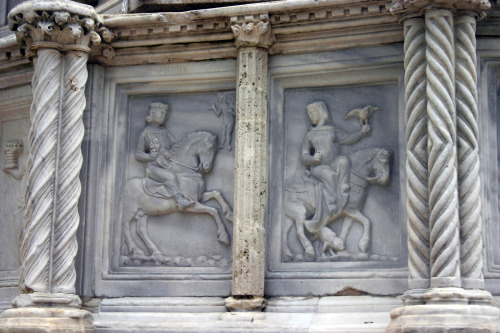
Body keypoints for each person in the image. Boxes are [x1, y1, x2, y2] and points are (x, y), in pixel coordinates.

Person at [300, 101, 370, 231]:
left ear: (321, 112)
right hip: (319, 167)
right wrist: (313, 158)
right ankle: (333, 204)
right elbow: (303, 156)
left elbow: (348, 138)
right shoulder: (310, 135)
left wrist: (361, 132)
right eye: (309, 113)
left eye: (313, 112)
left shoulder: (332, 130)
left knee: (344, 161)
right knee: (330, 175)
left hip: (335, 163)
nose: (311, 115)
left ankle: (344, 189)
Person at [136, 102, 194, 209]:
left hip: (167, 164)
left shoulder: (165, 132)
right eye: (161, 113)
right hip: (154, 168)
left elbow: (177, 145)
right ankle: (180, 201)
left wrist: (170, 151)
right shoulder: (146, 133)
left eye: (164, 114)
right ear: (152, 114)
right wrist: (150, 156)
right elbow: (138, 154)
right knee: (170, 177)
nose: (163, 116)